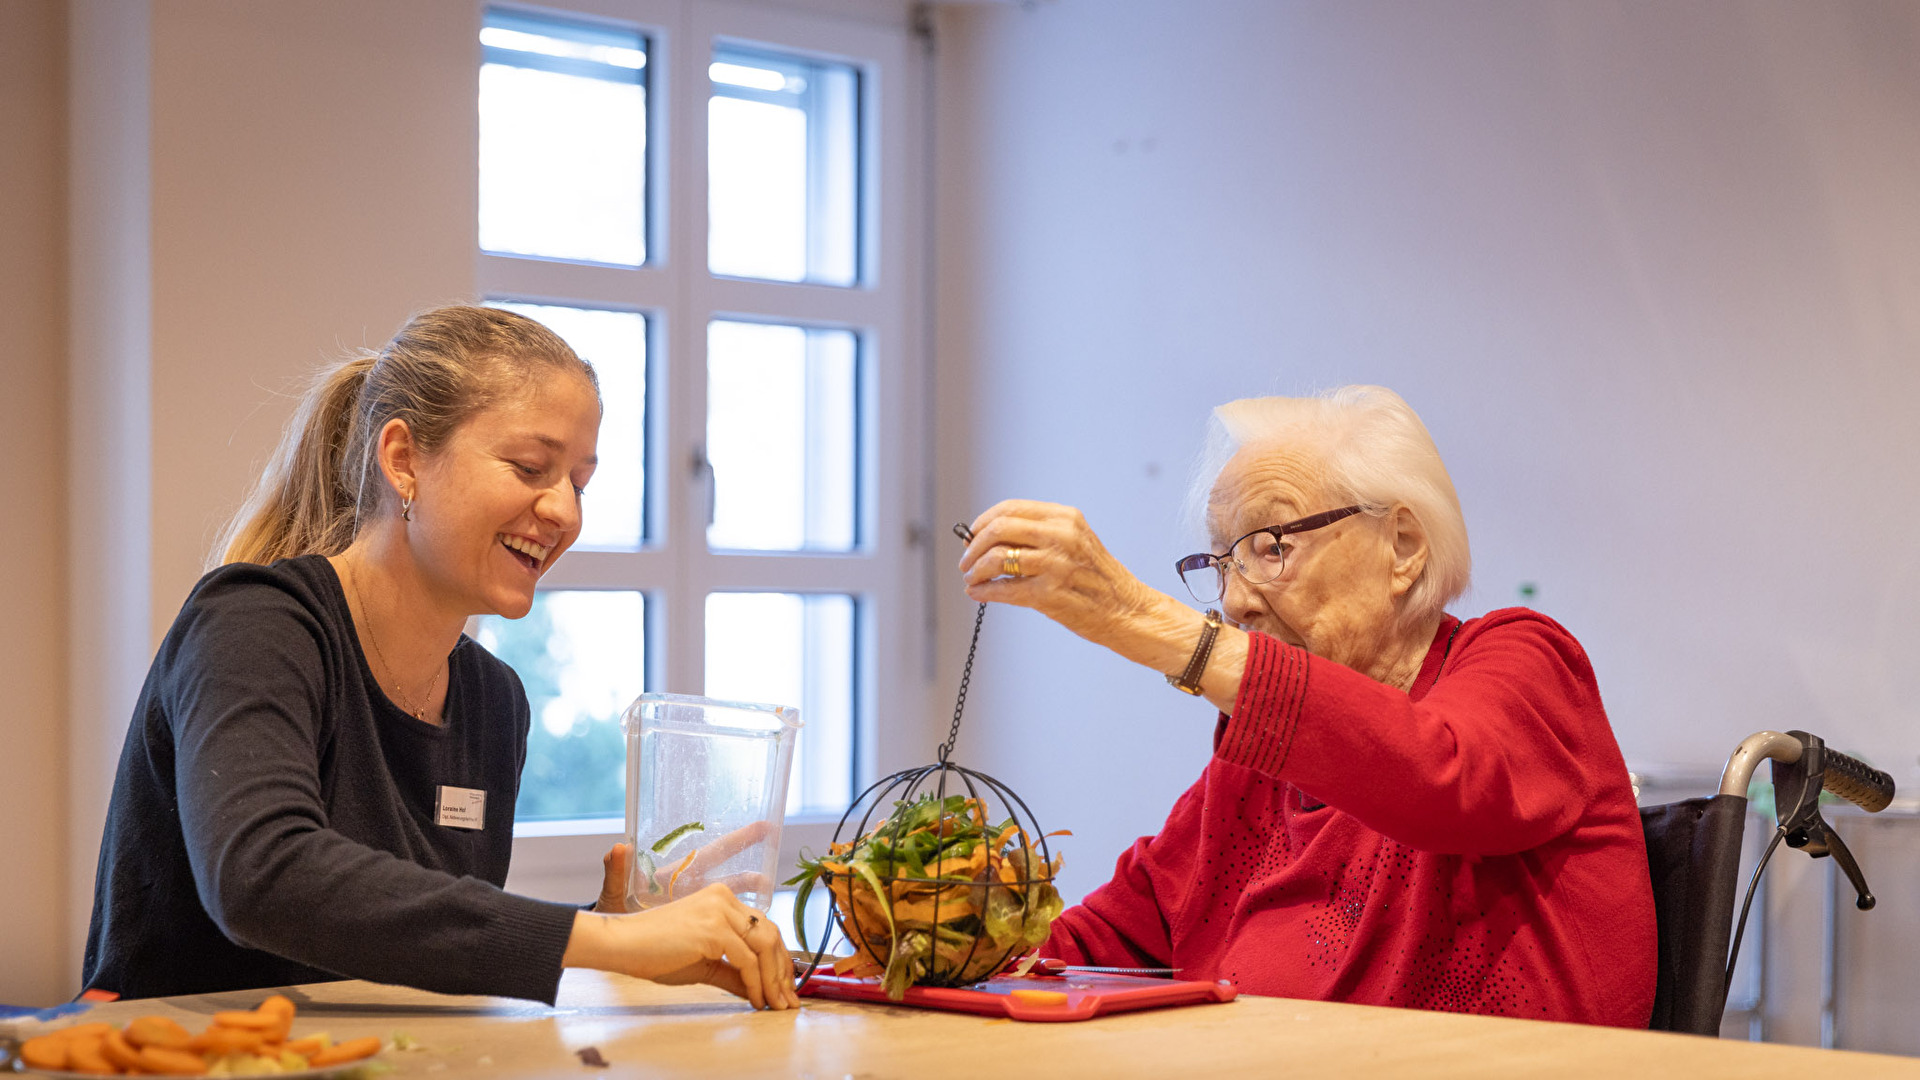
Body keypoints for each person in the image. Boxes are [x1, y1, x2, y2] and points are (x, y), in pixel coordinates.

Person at [83, 305, 797, 1010]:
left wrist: (618, 925)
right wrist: (600, 942)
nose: (565, 513)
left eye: (579, 483)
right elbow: (262, 878)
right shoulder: (255, 624)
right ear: (402, 460)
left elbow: (423, 949)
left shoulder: (493, 701)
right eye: (530, 467)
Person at [957, 386, 1656, 1027]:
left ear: (1403, 546)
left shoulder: (1527, 661)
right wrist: (945, 940)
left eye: (1271, 548)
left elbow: (1442, 773)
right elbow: (1086, 945)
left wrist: (1150, 624)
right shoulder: (1255, 771)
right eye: (1223, 563)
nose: (1234, 600)